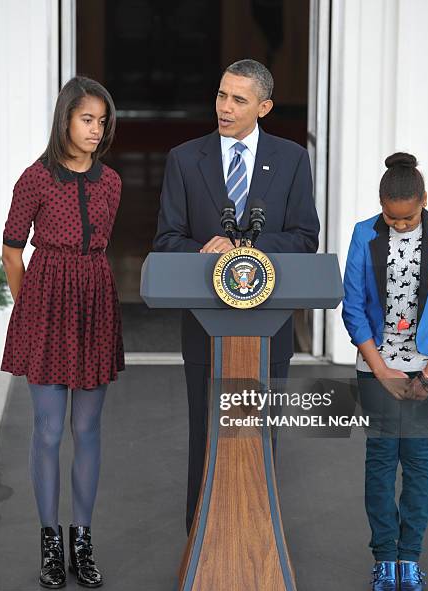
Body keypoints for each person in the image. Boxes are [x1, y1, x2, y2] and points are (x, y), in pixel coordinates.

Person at [153, 58, 319, 534]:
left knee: (258, 436)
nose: (225, 107)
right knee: (206, 436)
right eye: (221, 95)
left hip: (270, 328)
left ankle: (258, 544)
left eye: (238, 100)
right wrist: (212, 251)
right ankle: (199, 549)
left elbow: (305, 237)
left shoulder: (290, 159)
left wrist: (245, 250)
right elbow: (168, 240)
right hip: (206, 329)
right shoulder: (185, 158)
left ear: (263, 107)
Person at [1, 76, 124, 589]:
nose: (95, 130)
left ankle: (82, 539)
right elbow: (12, 249)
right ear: (65, 120)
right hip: (46, 306)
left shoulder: (111, 182)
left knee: (88, 431)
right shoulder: (35, 178)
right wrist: (32, 306)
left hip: (94, 301)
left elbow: (96, 247)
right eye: (86, 119)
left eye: (101, 121)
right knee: (48, 431)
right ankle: (50, 539)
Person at [342, 152, 428, 591]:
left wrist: (427, 375)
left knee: (418, 460)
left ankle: (410, 558)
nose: (400, 224)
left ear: (423, 202)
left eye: (408, 218)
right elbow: (353, 306)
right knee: (380, 460)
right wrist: (380, 369)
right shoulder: (363, 234)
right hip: (376, 367)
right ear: (381, 205)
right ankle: (383, 559)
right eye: (392, 217)